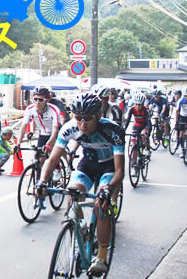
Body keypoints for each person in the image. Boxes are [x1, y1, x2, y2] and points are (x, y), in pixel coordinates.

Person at [37, 93, 125, 276]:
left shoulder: (113, 131)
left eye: (88, 119)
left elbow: (119, 172)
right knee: (72, 195)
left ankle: (101, 256)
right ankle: (82, 229)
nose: (82, 124)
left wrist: (108, 189)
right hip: (88, 163)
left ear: (98, 117)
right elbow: (52, 159)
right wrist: (42, 181)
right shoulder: (69, 129)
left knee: (101, 205)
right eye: (78, 118)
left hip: (109, 166)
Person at [15, 86, 60, 151]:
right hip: (43, 134)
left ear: (47, 100)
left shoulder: (54, 110)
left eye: (41, 100)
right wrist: (18, 143)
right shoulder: (30, 109)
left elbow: (55, 130)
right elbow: (23, 127)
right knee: (39, 157)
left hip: (55, 133)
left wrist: (48, 144)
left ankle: (67, 158)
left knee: (54, 157)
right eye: (35, 99)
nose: (37, 102)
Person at [124, 92, 153, 159]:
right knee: (133, 141)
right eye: (136, 104)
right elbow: (127, 121)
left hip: (144, 125)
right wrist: (124, 130)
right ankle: (134, 157)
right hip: (137, 125)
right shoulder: (132, 109)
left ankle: (147, 148)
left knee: (143, 135)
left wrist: (148, 132)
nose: (137, 106)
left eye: (139, 105)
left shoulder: (146, 110)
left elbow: (149, 122)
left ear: (143, 104)